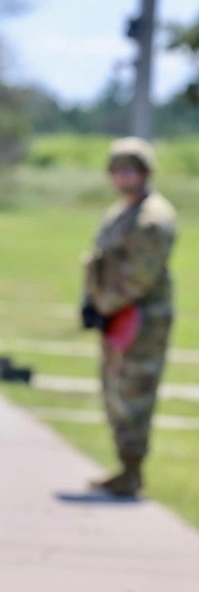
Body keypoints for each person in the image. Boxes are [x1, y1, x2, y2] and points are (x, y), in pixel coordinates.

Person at [81, 136, 176, 499]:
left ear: (145, 173)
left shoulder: (152, 218)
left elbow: (139, 275)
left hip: (140, 320)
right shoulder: (123, 211)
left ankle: (132, 471)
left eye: (130, 170)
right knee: (116, 392)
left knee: (134, 393)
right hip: (117, 315)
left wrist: (102, 304)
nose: (123, 177)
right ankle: (125, 467)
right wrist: (94, 302)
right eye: (117, 170)